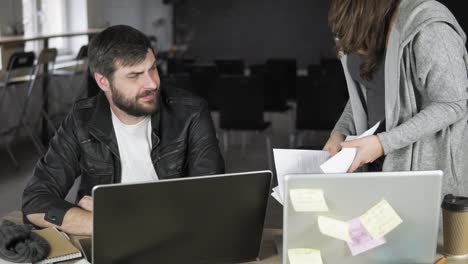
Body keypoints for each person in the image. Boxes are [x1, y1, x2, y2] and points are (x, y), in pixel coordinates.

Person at [22, 25, 225, 235]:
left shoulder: (191, 112)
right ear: (103, 81)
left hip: (174, 238)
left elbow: (209, 198)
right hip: (107, 242)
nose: (152, 83)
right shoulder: (81, 120)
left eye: (153, 68)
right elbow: (36, 200)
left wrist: (119, 214)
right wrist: (110, 224)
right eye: (135, 75)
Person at [323, 0, 468, 195]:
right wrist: (340, 131)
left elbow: (452, 103)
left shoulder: (430, 26)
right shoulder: (352, 21)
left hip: (421, 172)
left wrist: (383, 143)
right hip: (373, 161)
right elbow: (366, 91)